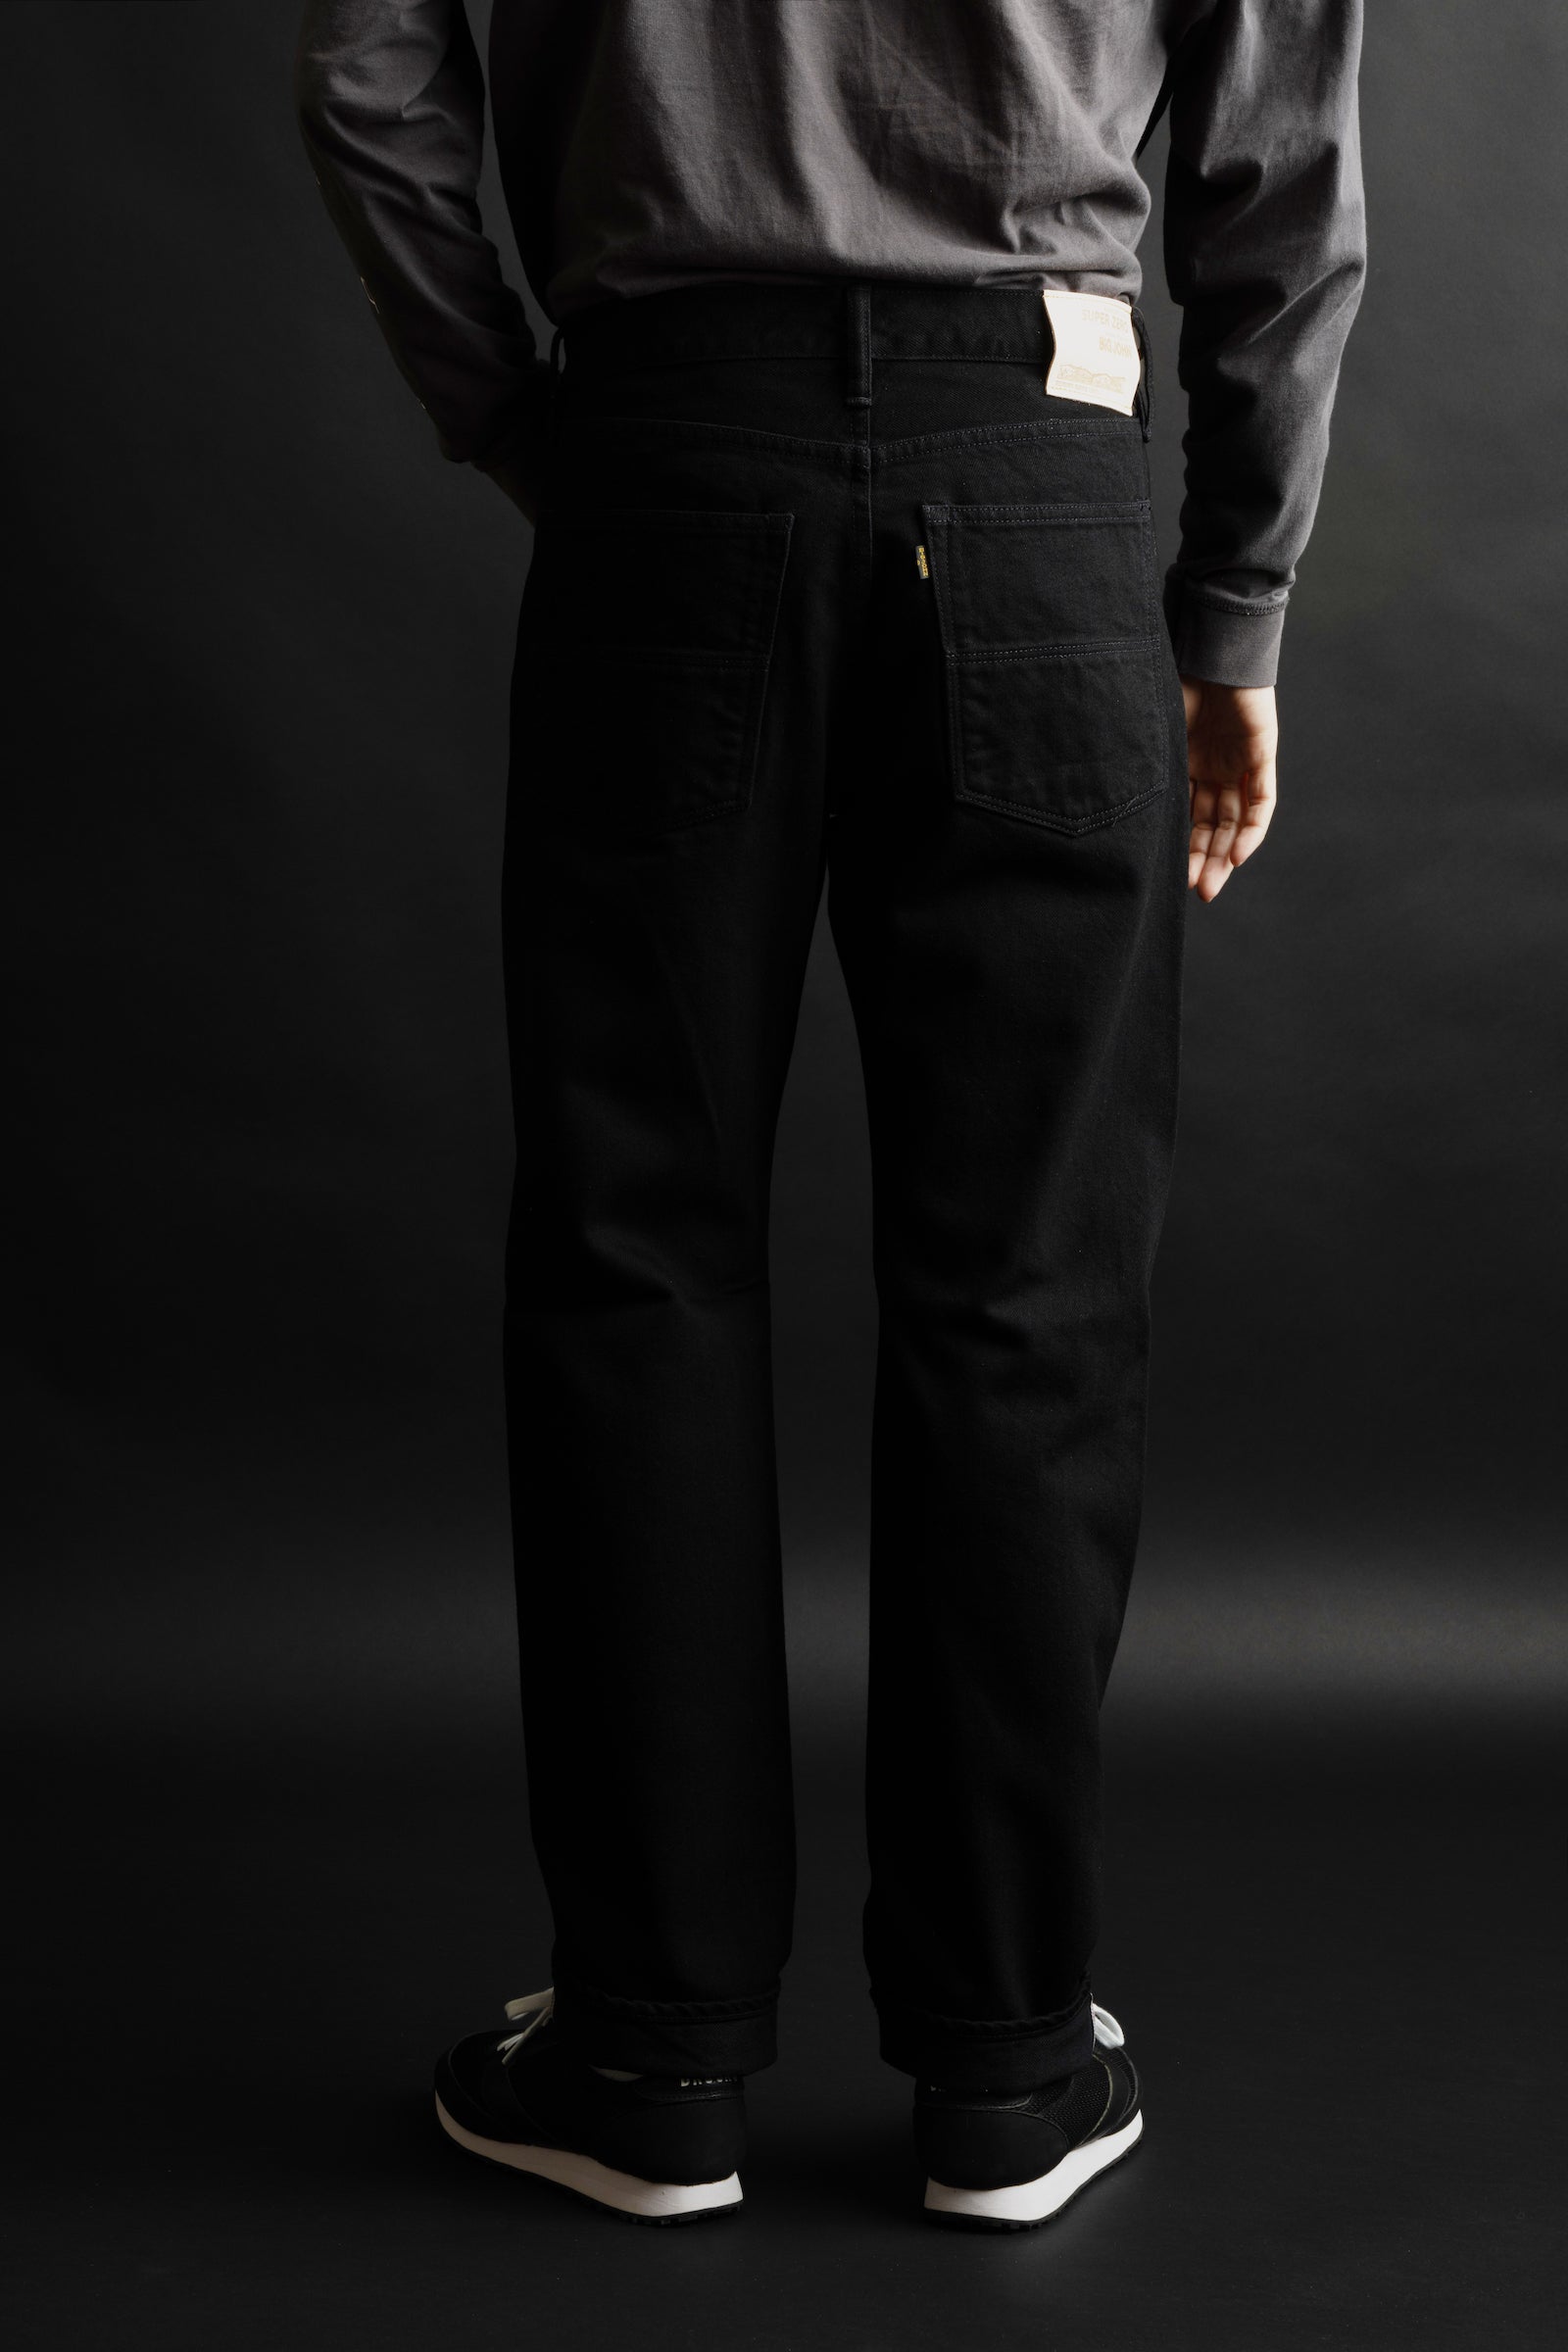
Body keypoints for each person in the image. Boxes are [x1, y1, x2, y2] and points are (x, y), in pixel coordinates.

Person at [294, 0, 1364, 2230]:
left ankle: (645, 2057)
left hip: (666, 461)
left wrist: (535, 419)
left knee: (637, 1272)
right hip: (1043, 463)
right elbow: (1275, 169)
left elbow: (370, 71)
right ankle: (1004, 2067)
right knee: (1026, 1299)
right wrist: (1235, 602)